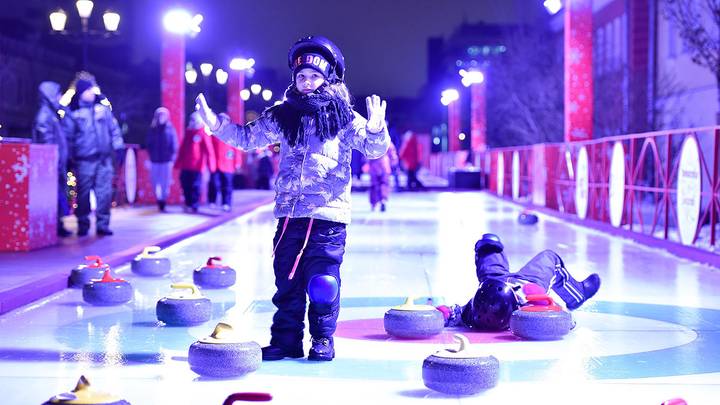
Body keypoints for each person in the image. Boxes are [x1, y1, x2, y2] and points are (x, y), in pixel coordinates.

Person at [195, 35, 390, 361]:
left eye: (315, 76)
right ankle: (286, 341)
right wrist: (216, 124)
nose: (308, 82)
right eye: (302, 76)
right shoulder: (282, 115)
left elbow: (373, 149)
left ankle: (322, 339)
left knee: (323, 283)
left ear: (328, 77)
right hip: (290, 214)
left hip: (328, 215)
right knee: (287, 282)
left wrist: (376, 129)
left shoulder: (342, 116)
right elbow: (247, 138)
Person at [437, 233, 601, 330]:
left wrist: (439, 313)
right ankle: (576, 295)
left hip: (493, 281)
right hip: (526, 281)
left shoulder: (471, 311)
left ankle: (488, 248)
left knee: (489, 246)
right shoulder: (532, 299)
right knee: (550, 257)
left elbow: (450, 313)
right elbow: (564, 320)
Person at [66, 72, 124, 237]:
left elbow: (114, 130)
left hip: (103, 160)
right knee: (83, 195)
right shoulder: (74, 113)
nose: (92, 93)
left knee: (104, 194)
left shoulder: (103, 110)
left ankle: (102, 224)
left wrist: (118, 148)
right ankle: (83, 224)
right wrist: (71, 157)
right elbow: (69, 137)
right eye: (88, 90)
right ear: (81, 92)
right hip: (84, 160)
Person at [32, 81, 72, 237]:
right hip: (52, 166)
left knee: (60, 194)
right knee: (55, 196)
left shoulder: (52, 114)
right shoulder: (45, 116)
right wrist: (52, 163)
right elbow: (46, 143)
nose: (60, 97)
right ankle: (56, 225)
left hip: (57, 163)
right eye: (57, 94)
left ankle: (58, 224)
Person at [175, 112, 216, 213]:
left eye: (194, 120)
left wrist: (211, 165)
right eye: (191, 119)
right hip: (186, 165)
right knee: (185, 184)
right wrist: (178, 163)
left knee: (195, 185)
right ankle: (188, 203)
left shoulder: (202, 132)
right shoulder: (189, 132)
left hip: (197, 166)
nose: (192, 121)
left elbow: (209, 150)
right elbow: (183, 149)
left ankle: (194, 204)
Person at [145, 107, 178, 212]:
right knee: (154, 182)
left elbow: (174, 144)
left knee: (165, 183)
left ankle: (163, 201)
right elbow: (148, 144)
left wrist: (172, 158)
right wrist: (149, 157)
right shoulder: (152, 129)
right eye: (159, 115)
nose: (161, 117)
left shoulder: (170, 129)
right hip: (154, 160)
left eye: (163, 115)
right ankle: (159, 199)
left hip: (166, 161)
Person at [208, 131, 242, 211]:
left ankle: (226, 203)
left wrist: (237, 161)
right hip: (216, 164)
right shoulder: (214, 134)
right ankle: (212, 201)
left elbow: (236, 148)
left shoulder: (231, 134)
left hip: (228, 164)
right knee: (214, 183)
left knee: (227, 185)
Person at [367, 141, 397, 211]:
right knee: (384, 184)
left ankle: (374, 203)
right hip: (384, 166)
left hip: (374, 166)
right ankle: (383, 200)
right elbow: (393, 154)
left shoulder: (371, 141)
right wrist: (394, 163)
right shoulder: (387, 142)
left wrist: (366, 163)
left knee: (374, 185)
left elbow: (366, 154)